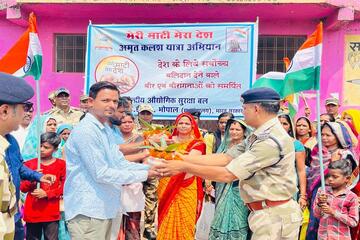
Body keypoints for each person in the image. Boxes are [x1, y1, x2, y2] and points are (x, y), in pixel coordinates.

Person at [155, 87, 302, 239]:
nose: (243, 113)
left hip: (275, 217)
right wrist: (178, 156)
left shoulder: (270, 141)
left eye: (244, 108)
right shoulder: (259, 135)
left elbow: (228, 174)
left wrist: (183, 166)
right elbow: (225, 158)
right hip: (265, 213)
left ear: (256, 108)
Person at [64, 81, 159, 240]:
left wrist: (149, 170)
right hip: (89, 211)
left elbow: (118, 162)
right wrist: (145, 174)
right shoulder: (86, 131)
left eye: (115, 101)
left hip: (106, 207)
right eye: (106, 100)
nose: (112, 105)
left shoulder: (105, 129)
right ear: (90, 102)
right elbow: (101, 173)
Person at [0, 73, 56, 240]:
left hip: (12, 216)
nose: (27, 113)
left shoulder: (10, 142)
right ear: (4, 111)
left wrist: (38, 176)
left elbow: (18, 168)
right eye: (24, 108)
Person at [156, 112, 206, 240]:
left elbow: (189, 161)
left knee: (185, 220)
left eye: (187, 123)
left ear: (193, 126)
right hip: (167, 182)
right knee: (166, 216)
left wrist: (170, 151)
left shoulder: (198, 144)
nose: (183, 126)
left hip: (187, 186)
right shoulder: (167, 141)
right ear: (176, 125)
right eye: (180, 123)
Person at [306, 121, 359, 239]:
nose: (324, 138)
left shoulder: (344, 154)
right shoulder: (317, 151)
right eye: (322, 134)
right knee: (316, 223)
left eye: (328, 135)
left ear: (338, 136)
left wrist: (333, 161)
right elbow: (311, 174)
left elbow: (349, 179)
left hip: (340, 197)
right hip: (320, 193)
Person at [208, 119, 251, 240]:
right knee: (220, 215)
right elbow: (216, 163)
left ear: (244, 132)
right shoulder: (225, 145)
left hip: (239, 188)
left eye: (237, 129)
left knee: (238, 218)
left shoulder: (247, 147)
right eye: (231, 129)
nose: (234, 132)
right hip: (222, 185)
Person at [21, 132, 66, 240]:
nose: (41, 149)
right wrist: (34, 177)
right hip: (32, 211)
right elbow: (22, 188)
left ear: (55, 149)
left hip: (51, 212)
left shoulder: (61, 164)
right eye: (40, 145)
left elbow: (65, 188)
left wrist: (47, 193)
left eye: (46, 147)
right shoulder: (29, 164)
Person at [313, 159, 359, 240]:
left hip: (340, 237)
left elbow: (353, 222)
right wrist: (320, 204)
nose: (330, 179)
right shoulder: (322, 191)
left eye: (335, 177)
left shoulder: (351, 197)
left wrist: (333, 212)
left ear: (347, 179)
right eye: (329, 175)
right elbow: (316, 214)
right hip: (323, 237)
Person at [118, 112, 146, 240]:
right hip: (116, 181)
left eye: (130, 122)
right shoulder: (114, 138)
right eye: (124, 122)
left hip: (134, 182)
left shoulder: (139, 139)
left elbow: (145, 157)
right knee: (116, 220)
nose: (127, 125)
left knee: (133, 219)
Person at [278, 114, 307, 209]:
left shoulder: (296, 145)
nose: (281, 126)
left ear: (290, 127)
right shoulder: (266, 143)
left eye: (284, 124)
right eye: (278, 123)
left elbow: (301, 171)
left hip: (289, 186)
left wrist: (302, 196)